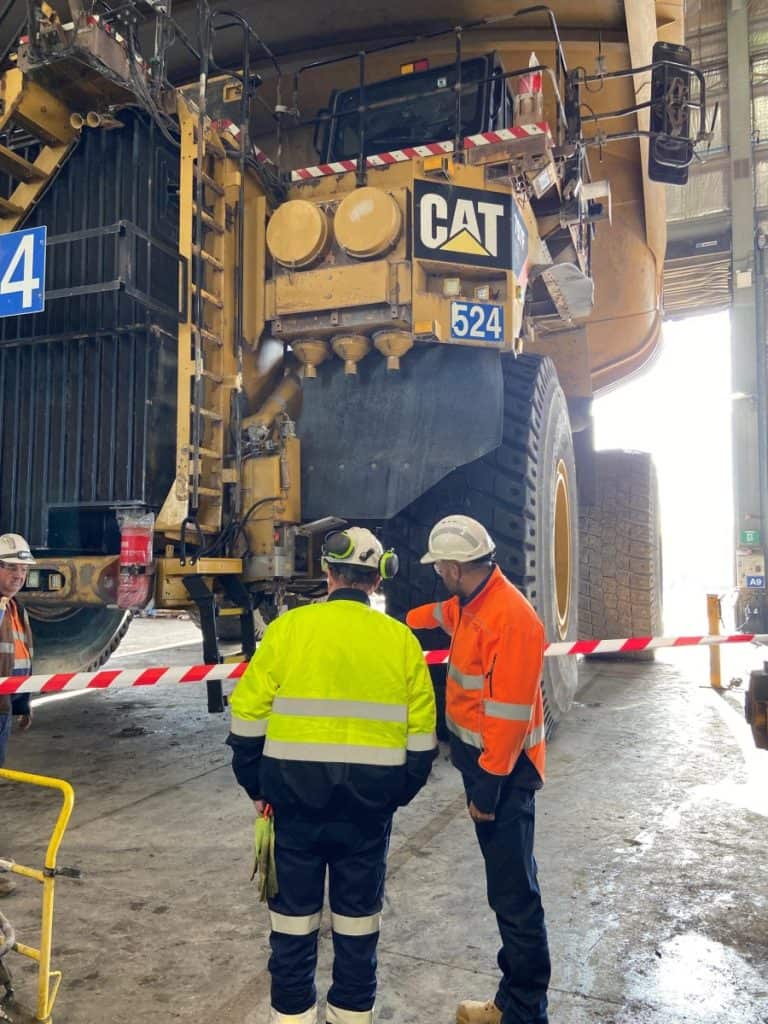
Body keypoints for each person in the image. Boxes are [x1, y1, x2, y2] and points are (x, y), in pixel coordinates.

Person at [227, 526, 437, 1024]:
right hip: (367, 816)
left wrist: (258, 787)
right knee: (358, 933)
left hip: (292, 811)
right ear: (378, 578)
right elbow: (422, 741)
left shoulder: (288, 631)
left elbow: (246, 719)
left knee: (291, 932)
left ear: (327, 572)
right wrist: (389, 796)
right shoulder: (401, 641)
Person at [406, 515, 550, 1024]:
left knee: (515, 898)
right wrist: (400, 623)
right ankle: (515, 1005)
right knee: (506, 891)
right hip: (487, 770)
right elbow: (442, 615)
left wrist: (487, 790)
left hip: (505, 778)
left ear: (452, 565)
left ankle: (524, 1012)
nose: (438, 572)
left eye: (440, 565)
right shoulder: (474, 601)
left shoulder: (510, 619)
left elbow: (509, 721)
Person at [0, 533, 37, 899]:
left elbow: (20, 659)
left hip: (4, 711)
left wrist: (23, 704)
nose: (18, 575)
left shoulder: (15, 607)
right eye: (11, 567)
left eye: (23, 569)